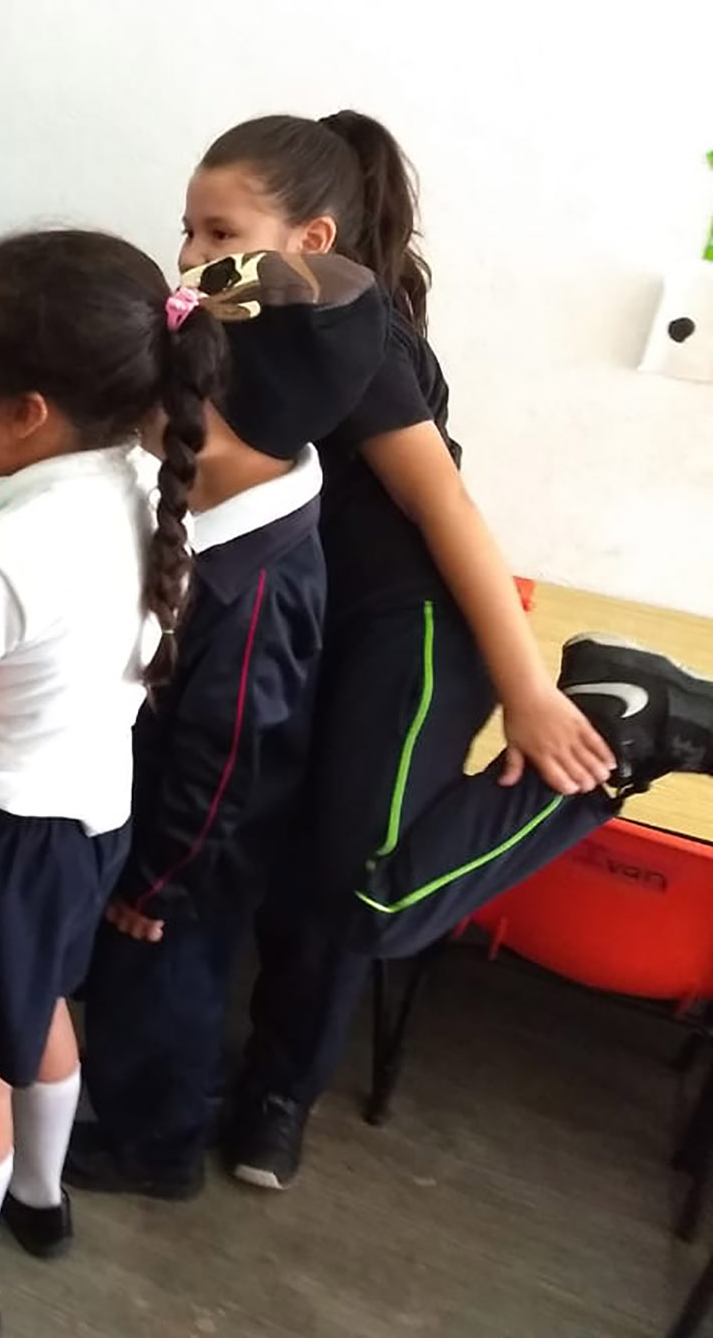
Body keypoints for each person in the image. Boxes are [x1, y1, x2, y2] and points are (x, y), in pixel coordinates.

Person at [180, 112, 713, 1194]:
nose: (190, 253)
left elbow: (445, 508)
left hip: (411, 630)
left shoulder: (359, 341)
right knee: (297, 868)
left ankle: (627, 723)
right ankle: (258, 1082)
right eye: (185, 228)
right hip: (310, 629)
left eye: (216, 230)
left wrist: (522, 682)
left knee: (363, 894)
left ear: (313, 241)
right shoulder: (232, 321)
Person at [0, 230, 221, 1330]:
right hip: (94, 820)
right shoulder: (151, 481)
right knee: (39, 1003)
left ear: (27, 410)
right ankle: (41, 1201)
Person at [70, 251, 389, 1200]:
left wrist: (159, 884)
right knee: (165, 991)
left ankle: (154, 1146)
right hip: (188, 832)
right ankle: (175, 1094)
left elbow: (223, 756)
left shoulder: (255, 585)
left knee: (155, 988)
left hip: (192, 852)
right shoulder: (255, 496)